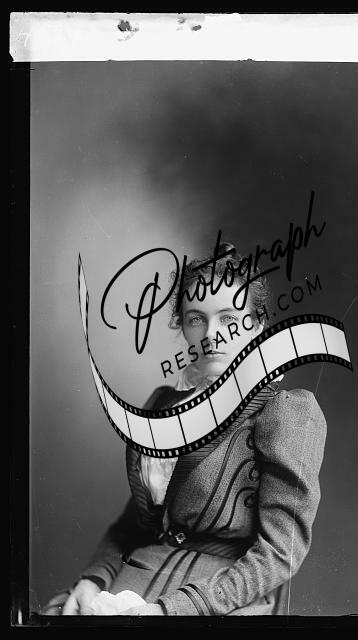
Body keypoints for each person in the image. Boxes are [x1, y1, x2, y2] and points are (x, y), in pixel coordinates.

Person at [43, 242, 327, 616]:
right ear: (183, 327)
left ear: (257, 325)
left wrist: (170, 611)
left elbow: (280, 552)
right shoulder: (164, 404)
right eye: (196, 319)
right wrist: (94, 578)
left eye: (229, 318)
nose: (212, 334)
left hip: (222, 594)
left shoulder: (286, 412)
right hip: (139, 571)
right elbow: (134, 523)